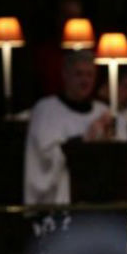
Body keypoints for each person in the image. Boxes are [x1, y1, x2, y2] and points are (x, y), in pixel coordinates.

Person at [24, 51, 112, 206]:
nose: (85, 80)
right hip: (59, 203)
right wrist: (86, 138)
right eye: (79, 74)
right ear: (65, 75)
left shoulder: (102, 111)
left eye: (89, 75)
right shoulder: (46, 110)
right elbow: (46, 158)